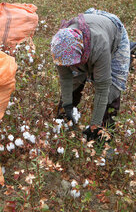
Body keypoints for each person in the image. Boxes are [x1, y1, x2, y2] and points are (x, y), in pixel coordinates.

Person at [51, 8, 131, 141]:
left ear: (81, 52)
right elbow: (66, 79)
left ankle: (102, 136)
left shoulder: (100, 46)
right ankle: (64, 120)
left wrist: (95, 125)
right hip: (90, 23)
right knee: (74, 82)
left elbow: (102, 88)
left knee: (112, 89)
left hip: (112, 30)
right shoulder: (60, 47)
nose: (70, 67)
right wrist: (67, 106)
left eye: (73, 63)